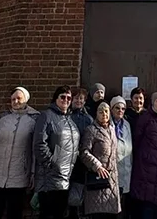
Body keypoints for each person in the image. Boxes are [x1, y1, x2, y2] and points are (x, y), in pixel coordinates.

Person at [0, 87, 39, 219]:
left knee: (14, 211)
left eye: (19, 98)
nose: (15, 101)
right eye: (13, 99)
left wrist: (32, 173)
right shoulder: (2, 119)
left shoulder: (34, 119)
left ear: (26, 99)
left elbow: (34, 150)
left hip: (19, 174)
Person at [33, 86, 81, 219]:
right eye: (63, 97)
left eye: (69, 98)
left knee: (60, 213)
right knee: (48, 214)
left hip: (66, 177)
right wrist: (51, 164)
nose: (66, 100)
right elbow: (39, 143)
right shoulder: (46, 115)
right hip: (50, 177)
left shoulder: (69, 120)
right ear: (56, 98)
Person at [131, 91, 157, 219]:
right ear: (153, 103)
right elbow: (137, 139)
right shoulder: (145, 118)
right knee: (147, 203)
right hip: (146, 167)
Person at [81, 102, 121, 218]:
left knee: (111, 214)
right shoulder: (91, 130)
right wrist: (97, 165)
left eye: (106, 111)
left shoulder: (112, 130)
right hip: (97, 179)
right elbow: (84, 152)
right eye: (101, 111)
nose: (104, 114)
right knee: (99, 214)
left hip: (112, 180)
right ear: (96, 114)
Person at [69, 87, 95, 218]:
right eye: (76, 98)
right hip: (65, 161)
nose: (79, 101)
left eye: (81, 99)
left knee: (77, 195)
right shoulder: (65, 115)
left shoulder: (88, 119)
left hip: (80, 162)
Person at [109, 96, 134, 219]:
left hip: (126, 168)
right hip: (112, 169)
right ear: (112, 109)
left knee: (123, 205)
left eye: (123, 108)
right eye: (117, 108)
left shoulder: (127, 125)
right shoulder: (107, 124)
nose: (120, 111)